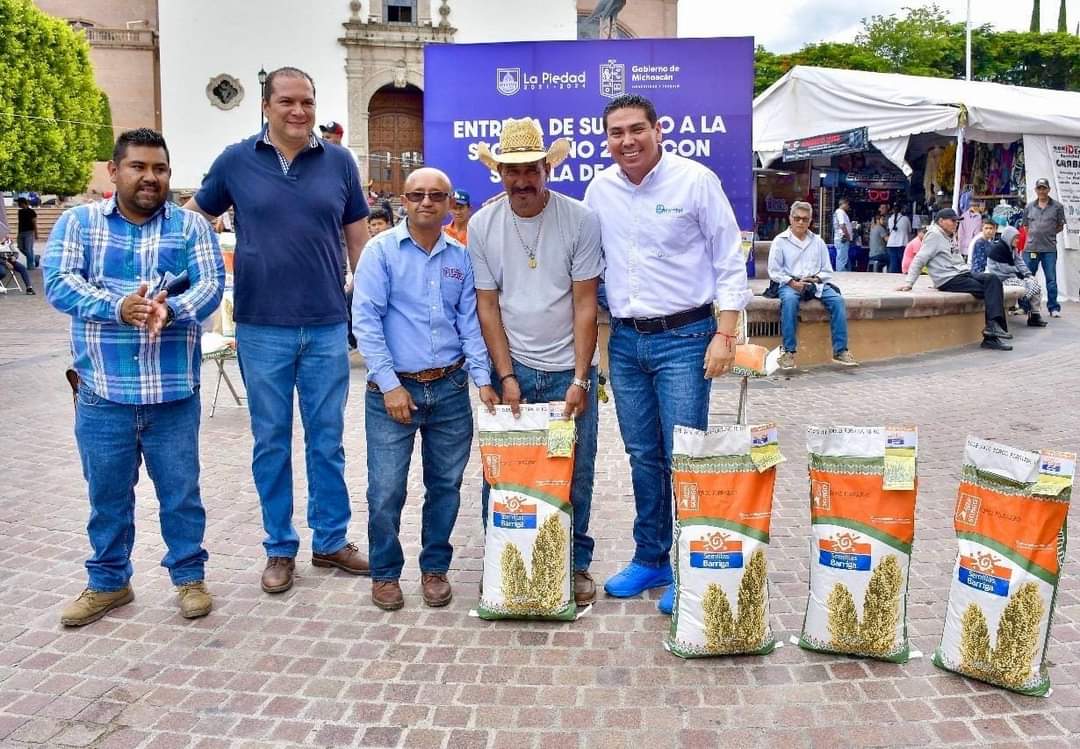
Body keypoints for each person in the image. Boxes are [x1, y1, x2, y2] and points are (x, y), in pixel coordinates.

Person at [185, 67, 372, 594]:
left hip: (327, 324)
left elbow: (359, 244)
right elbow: (193, 217)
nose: (299, 111)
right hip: (262, 325)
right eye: (287, 101)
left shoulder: (338, 162)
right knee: (271, 441)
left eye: (307, 102)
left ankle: (331, 540)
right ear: (266, 106)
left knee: (327, 441)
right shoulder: (235, 161)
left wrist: (366, 308)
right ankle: (279, 547)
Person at [43, 128, 224, 625]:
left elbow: (210, 286)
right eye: (139, 167)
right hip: (103, 393)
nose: (150, 177)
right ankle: (108, 583)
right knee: (107, 498)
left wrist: (176, 308)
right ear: (115, 171)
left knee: (181, 495)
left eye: (159, 169)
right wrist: (119, 306)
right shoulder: (79, 224)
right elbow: (59, 283)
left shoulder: (191, 228)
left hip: (172, 395)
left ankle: (189, 578)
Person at [583, 94, 751, 615]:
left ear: (659, 130)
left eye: (637, 129)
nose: (627, 141)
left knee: (685, 456)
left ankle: (688, 565)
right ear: (606, 138)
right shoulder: (600, 189)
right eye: (616, 132)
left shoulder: (695, 181)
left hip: (686, 339)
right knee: (642, 456)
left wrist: (725, 334)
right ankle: (650, 556)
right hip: (628, 341)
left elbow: (729, 259)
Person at [469, 117, 603, 607]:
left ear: (548, 167)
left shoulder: (580, 219)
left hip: (571, 367)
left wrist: (581, 378)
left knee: (576, 470)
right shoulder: (483, 225)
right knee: (505, 472)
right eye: (511, 171)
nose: (521, 181)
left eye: (530, 170)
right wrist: (505, 376)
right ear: (499, 172)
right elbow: (487, 304)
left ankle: (575, 563)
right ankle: (503, 560)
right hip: (516, 366)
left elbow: (585, 302)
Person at [352, 167, 497, 611]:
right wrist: (391, 385)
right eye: (417, 195)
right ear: (404, 201)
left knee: (446, 486)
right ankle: (385, 573)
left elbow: (470, 323)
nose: (427, 203)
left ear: (450, 202)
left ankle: (435, 568)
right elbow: (366, 322)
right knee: (386, 490)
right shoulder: (380, 253)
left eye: (437, 195)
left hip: (450, 388)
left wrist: (484, 381)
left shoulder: (461, 257)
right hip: (392, 393)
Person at [898, 208, 1012, 351]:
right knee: (992, 290)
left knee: (993, 280)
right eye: (953, 221)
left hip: (961, 273)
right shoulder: (934, 235)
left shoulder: (948, 235)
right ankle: (992, 334)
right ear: (941, 221)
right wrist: (909, 283)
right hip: (949, 279)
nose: (956, 224)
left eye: (957, 221)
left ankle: (993, 329)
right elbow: (920, 258)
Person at [769, 202, 858, 370]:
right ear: (790, 219)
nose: (801, 222)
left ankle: (840, 350)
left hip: (815, 283)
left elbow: (827, 270)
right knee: (789, 302)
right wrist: (792, 283)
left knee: (838, 301)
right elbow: (774, 271)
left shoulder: (818, 242)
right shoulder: (780, 241)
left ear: (810, 221)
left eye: (805, 219)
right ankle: (789, 352)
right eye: (797, 218)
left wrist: (815, 279)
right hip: (790, 282)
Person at [983, 226, 1047, 328]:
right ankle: (1026, 305)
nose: (1017, 240)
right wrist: (1020, 275)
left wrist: (1028, 274)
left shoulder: (1012, 249)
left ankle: (1035, 315)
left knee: (1034, 282)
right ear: (1009, 237)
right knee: (1028, 285)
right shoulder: (998, 249)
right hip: (1000, 279)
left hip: (1011, 277)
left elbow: (1020, 262)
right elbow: (1004, 270)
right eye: (1015, 238)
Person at [1023, 177, 1066, 317]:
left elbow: (1060, 225)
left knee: (1051, 280)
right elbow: (1025, 226)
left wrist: (1048, 234)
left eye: (1044, 188)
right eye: (1039, 188)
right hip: (1032, 249)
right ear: (1035, 190)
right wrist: (1035, 236)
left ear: (1048, 189)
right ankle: (1024, 307)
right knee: (1028, 278)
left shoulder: (1058, 207)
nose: (1041, 191)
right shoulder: (1029, 206)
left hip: (1049, 249)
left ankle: (1054, 308)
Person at [886, 205, 911, 273]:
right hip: (902, 243)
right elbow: (909, 231)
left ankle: (893, 278)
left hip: (891, 244)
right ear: (901, 210)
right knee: (902, 263)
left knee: (894, 264)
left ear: (893, 211)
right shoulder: (906, 219)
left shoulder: (890, 219)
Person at [16, 197, 39, 269]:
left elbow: (34, 223)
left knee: (28, 249)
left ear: (22, 203)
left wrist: (36, 233)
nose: (18, 204)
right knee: (20, 247)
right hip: (21, 232)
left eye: (18, 203)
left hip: (29, 232)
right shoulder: (20, 212)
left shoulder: (31, 212)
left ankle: (30, 266)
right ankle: (35, 257)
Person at [832, 197, 853, 272]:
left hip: (840, 238)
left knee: (842, 257)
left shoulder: (839, 212)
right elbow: (842, 225)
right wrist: (848, 236)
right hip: (842, 238)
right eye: (847, 204)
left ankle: (841, 272)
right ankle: (841, 273)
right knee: (842, 258)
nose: (848, 206)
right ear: (843, 204)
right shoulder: (840, 212)